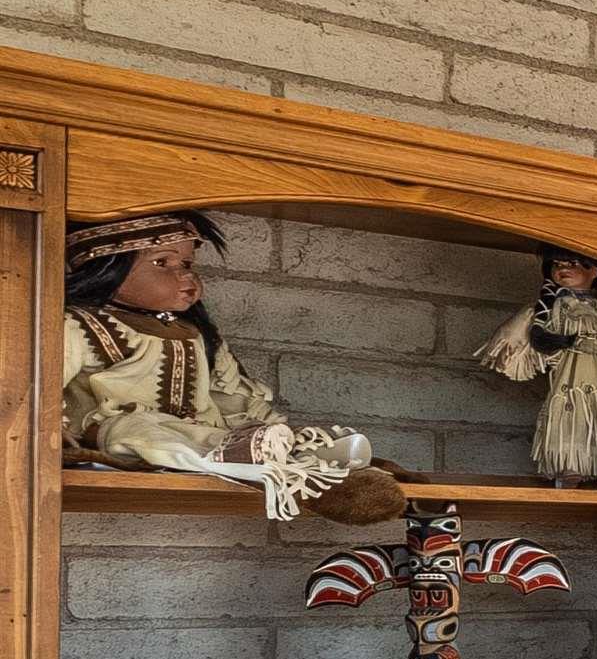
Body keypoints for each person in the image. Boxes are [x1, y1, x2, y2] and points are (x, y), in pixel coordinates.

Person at [61, 210, 399, 522]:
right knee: (139, 431)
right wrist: (52, 429)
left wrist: (271, 426)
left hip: (200, 432)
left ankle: (298, 453)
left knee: (221, 434)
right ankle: (283, 469)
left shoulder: (197, 334)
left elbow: (229, 394)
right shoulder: (79, 325)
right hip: (114, 431)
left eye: (188, 263)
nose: (185, 276)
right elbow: (43, 383)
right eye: (162, 262)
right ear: (104, 268)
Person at [476, 247, 597, 486]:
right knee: (571, 414)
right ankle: (571, 466)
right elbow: (518, 334)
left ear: (595, 270)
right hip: (572, 373)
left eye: (572, 263)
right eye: (557, 265)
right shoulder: (551, 308)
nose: (563, 269)